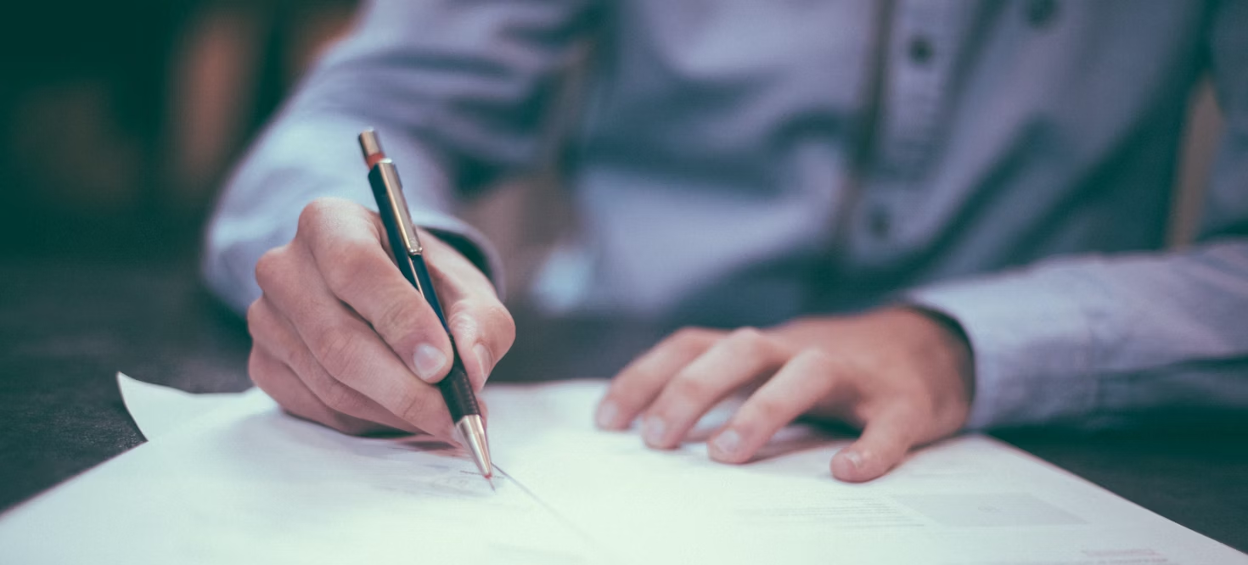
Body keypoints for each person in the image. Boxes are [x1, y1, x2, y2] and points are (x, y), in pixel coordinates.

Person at [204, 0, 1248, 482]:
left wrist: (959, 341)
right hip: (616, 405)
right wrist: (383, 267)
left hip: (1058, 446)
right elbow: (369, 105)